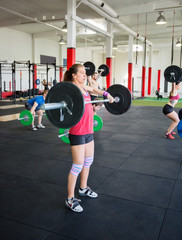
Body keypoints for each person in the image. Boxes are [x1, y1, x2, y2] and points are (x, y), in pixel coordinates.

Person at [63, 64, 114, 212]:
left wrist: (106, 95)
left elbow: (95, 90)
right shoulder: (70, 90)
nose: (84, 75)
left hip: (88, 129)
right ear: (74, 75)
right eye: (81, 73)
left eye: (85, 73)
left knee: (88, 161)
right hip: (77, 131)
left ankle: (83, 188)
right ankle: (70, 198)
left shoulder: (84, 87)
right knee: (77, 165)